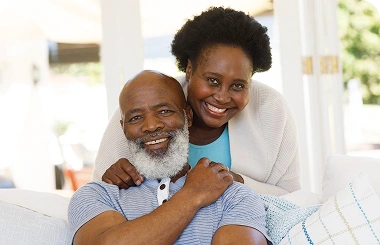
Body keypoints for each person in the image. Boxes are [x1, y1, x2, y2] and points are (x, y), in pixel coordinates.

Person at [93, 6, 300, 196]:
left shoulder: (272, 109)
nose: (222, 96)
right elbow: (99, 193)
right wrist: (115, 180)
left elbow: (294, 200)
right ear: (190, 70)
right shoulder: (142, 104)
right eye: (212, 80)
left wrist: (235, 182)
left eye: (238, 86)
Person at [68, 70, 271, 245]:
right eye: (136, 117)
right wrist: (192, 195)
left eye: (164, 111)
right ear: (123, 129)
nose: (151, 125)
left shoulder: (235, 197)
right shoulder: (96, 195)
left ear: (187, 117)